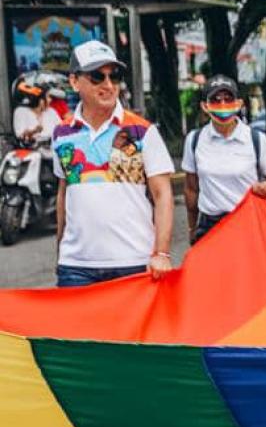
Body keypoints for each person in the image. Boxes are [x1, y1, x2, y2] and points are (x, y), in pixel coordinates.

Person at [52, 40, 175, 287]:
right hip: (76, 267)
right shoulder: (61, 133)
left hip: (133, 262)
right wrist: (61, 249)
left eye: (114, 76)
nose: (108, 85)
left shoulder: (142, 131)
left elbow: (162, 195)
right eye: (97, 77)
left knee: (134, 329)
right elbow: (65, 191)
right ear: (75, 82)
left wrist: (161, 253)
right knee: (74, 328)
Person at [182, 75, 266, 243]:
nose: (223, 105)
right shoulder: (195, 140)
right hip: (210, 227)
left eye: (228, 99)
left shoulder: (255, 139)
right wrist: (192, 228)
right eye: (216, 100)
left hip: (248, 225)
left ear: (239, 104)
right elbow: (191, 189)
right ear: (205, 106)